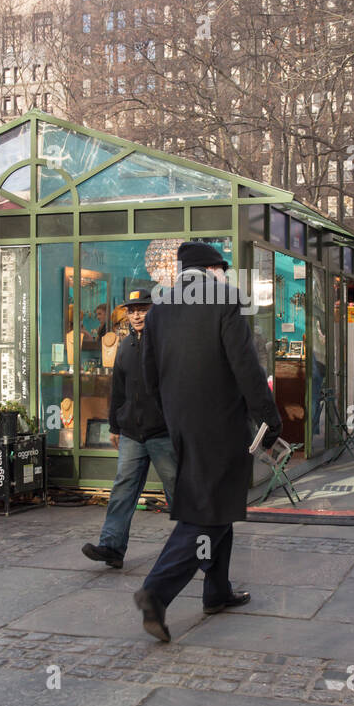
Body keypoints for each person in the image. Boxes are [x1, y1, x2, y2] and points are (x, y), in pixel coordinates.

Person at [134, 242, 281, 642]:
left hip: (182, 424)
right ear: (213, 268)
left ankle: (216, 590)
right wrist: (269, 416)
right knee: (210, 511)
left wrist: (171, 414)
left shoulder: (160, 308)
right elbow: (246, 365)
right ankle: (156, 590)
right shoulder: (224, 300)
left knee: (216, 499)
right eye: (224, 269)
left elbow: (149, 375)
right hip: (221, 423)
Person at [82, 289, 177, 569]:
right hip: (132, 434)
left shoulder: (166, 343)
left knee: (177, 492)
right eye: (132, 310)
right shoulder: (124, 346)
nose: (136, 314)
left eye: (142, 309)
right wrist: (114, 426)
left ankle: (195, 546)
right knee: (123, 490)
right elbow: (118, 391)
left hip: (163, 433)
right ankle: (111, 547)